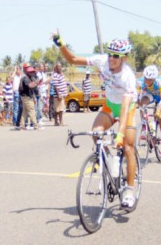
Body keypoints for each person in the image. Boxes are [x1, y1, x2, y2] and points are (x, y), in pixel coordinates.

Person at [52, 31, 137, 209]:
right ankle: (110, 162)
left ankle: (129, 190)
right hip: (109, 105)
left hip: (126, 108)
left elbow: (124, 108)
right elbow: (74, 60)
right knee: (96, 134)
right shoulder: (101, 61)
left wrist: (120, 134)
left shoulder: (128, 76)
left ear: (124, 58)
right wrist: (60, 44)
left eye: (116, 56)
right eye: (110, 54)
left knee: (128, 146)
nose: (112, 58)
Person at [137, 65, 161, 154]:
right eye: (146, 78)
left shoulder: (160, 83)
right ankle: (144, 127)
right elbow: (137, 96)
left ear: (154, 78)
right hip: (150, 94)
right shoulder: (140, 82)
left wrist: (158, 110)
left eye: (150, 79)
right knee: (142, 104)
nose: (147, 81)